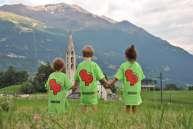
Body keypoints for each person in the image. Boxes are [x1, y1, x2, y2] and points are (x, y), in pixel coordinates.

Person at [109, 45, 145, 113]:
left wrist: (110, 83)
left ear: (126, 56)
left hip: (127, 90)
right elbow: (141, 77)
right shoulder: (138, 66)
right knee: (135, 105)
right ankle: (134, 117)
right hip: (136, 91)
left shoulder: (123, 66)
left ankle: (127, 117)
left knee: (128, 105)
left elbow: (117, 78)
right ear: (135, 56)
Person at [72, 45, 109, 112]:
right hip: (92, 92)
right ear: (92, 55)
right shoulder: (94, 65)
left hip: (83, 92)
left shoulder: (80, 66)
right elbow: (101, 77)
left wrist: (74, 88)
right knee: (94, 106)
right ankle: (95, 116)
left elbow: (76, 79)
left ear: (83, 55)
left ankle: (83, 117)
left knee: (83, 106)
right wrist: (107, 83)